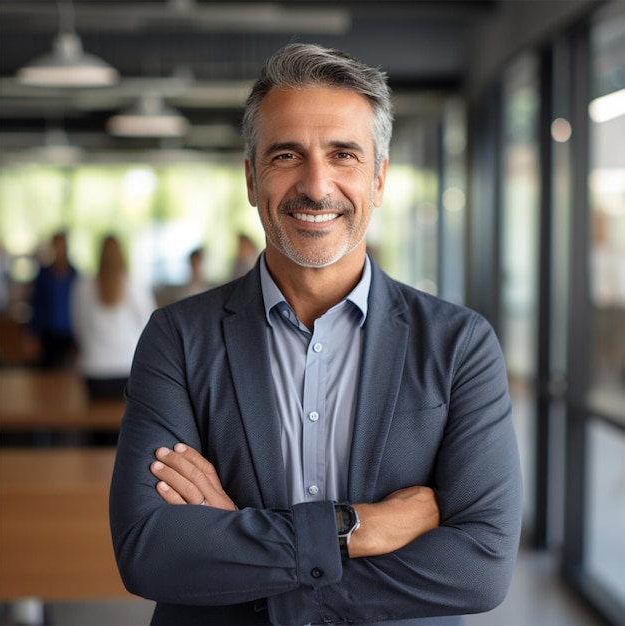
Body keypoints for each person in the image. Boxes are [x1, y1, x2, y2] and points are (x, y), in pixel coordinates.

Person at [110, 43, 523, 626]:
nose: (316, 184)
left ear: (378, 179)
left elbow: (480, 566)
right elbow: (150, 552)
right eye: (286, 155)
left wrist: (245, 549)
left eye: (343, 154)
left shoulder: (460, 345)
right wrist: (355, 528)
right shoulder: (177, 337)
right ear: (252, 179)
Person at [71, 235, 155, 400]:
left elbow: (78, 327)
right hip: (127, 366)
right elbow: (149, 325)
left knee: (96, 423)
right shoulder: (134, 285)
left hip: (94, 368)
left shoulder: (82, 286)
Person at [25, 231, 78, 368]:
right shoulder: (43, 276)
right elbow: (36, 305)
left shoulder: (76, 276)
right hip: (48, 333)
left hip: (70, 334)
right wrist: (31, 333)